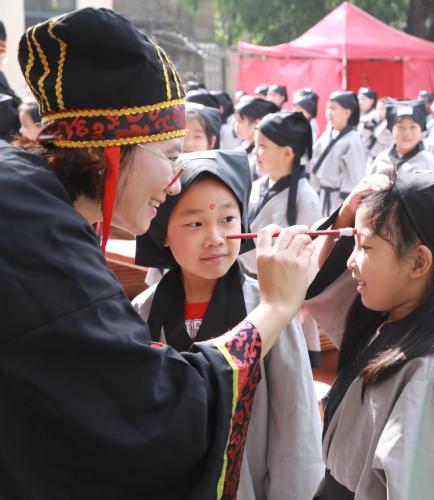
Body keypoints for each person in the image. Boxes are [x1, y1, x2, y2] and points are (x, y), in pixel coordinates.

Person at [0, 8, 314, 499]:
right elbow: (158, 407)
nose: (174, 184)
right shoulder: (34, 232)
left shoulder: (25, 199)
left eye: (227, 218)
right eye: (169, 156)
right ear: (110, 148)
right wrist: (276, 308)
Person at [304, 171, 434, 499]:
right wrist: (344, 217)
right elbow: (323, 286)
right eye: (353, 242)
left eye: (365, 246)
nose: (350, 262)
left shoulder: (429, 372)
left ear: (418, 262)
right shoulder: (389, 318)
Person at [133, 149, 323, 500]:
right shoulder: (141, 312)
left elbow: (296, 429)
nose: (215, 238)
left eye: (228, 219)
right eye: (195, 223)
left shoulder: (267, 310)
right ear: (163, 233)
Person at [240, 111, 325, 366]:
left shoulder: (305, 196)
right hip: (252, 290)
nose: (256, 152)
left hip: (287, 294)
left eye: (263, 146)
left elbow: (312, 255)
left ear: (287, 153)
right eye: (255, 145)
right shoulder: (256, 187)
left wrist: (300, 308)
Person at [310, 90, 367, 216]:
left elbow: (355, 175)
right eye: (327, 108)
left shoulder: (353, 139)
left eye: (333, 108)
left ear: (347, 112)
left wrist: (349, 201)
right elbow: (314, 159)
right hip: (322, 194)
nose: (328, 112)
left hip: (339, 199)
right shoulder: (328, 133)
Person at [366, 99, 434, 176]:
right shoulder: (381, 160)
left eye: (412, 127)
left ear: (421, 130)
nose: (407, 133)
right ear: (391, 130)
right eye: (400, 127)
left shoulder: (428, 164)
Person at [234, 96, 280, 180]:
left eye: (240, 121)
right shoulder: (240, 149)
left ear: (257, 124)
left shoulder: (263, 157)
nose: (236, 126)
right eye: (235, 121)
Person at [357, 86, 379, 154]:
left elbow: (363, 134)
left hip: (369, 154)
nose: (360, 102)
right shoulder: (356, 114)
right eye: (359, 99)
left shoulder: (375, 115)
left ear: (372, 101)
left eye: (363, 99)